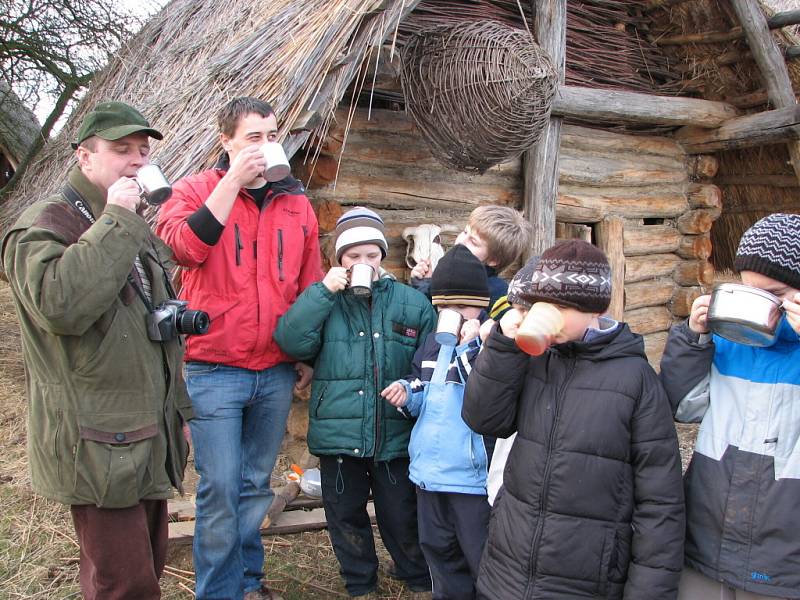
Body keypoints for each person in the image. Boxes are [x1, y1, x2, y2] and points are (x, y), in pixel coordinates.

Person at [2, 101, 192, 599]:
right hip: (94, 439)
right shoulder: (45, 226)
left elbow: (156, 323)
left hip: (143, 432)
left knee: (145, 567)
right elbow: (61, 305)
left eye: (142, 150)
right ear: (84, 158)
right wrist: (117, 219)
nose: (135, 159)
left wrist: (179, 410)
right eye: (120, 149)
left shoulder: (130, 227)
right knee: (123, 585)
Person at [155, 97, 322, 600]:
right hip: (212, 366)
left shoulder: (297, 203)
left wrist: (306, 353)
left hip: (273, 369)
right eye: (254, 137)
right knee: (221, 488)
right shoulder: (194, 190)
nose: (266, 147)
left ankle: (248, 582)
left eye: (272, 136)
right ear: (225, 140)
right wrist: (231, 182)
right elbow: (185, 248)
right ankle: (218, 593)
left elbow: (308, 284)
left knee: (253, 485)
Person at [462, 239, 685, 600]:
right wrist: (503, 344)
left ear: (593, 308)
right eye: (541, 305)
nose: (547, 314)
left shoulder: (635, 380)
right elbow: (484, 419)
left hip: (585, 579)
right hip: (508, 569)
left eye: (561, 306)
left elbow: (660, 502)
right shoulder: (534, 360)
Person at [274, 207, 435, 597]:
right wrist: (322, 292)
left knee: (401, 515)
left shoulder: (411, 303)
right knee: (345, 515)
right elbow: (290, 341)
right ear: (338, 259)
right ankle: (361, 584)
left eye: (371, 254)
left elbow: (426, 362)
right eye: (353, 256)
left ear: (382, 255)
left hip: (393, 433)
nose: (363, 262)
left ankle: (417, 580)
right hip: (338, 433)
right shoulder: (326, 301)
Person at [660, 213, 800, 600]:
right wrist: (694, 339)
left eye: (776, 294)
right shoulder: (729, 340)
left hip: (784, 562)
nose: (761, 305)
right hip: (706, 542)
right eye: (750, 290)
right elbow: (684, 408)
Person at [382, 244, 492, 600]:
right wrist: (406, 392)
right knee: (437, 548)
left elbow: (487, 393)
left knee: (478, 554)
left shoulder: (488, 347)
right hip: (430, 471)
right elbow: (423, 387)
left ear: (482, 305)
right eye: (445, 307)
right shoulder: (430, 345)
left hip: (470, 476)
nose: (453, 314)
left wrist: (468, 346)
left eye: (462, 307)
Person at [410, 205, 532, 320]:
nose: (461, 241)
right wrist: (423, 284)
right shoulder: (446, 275)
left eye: (473, 242)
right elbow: (426, 317)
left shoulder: (498, 294)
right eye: (465, 232)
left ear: (494, 260)